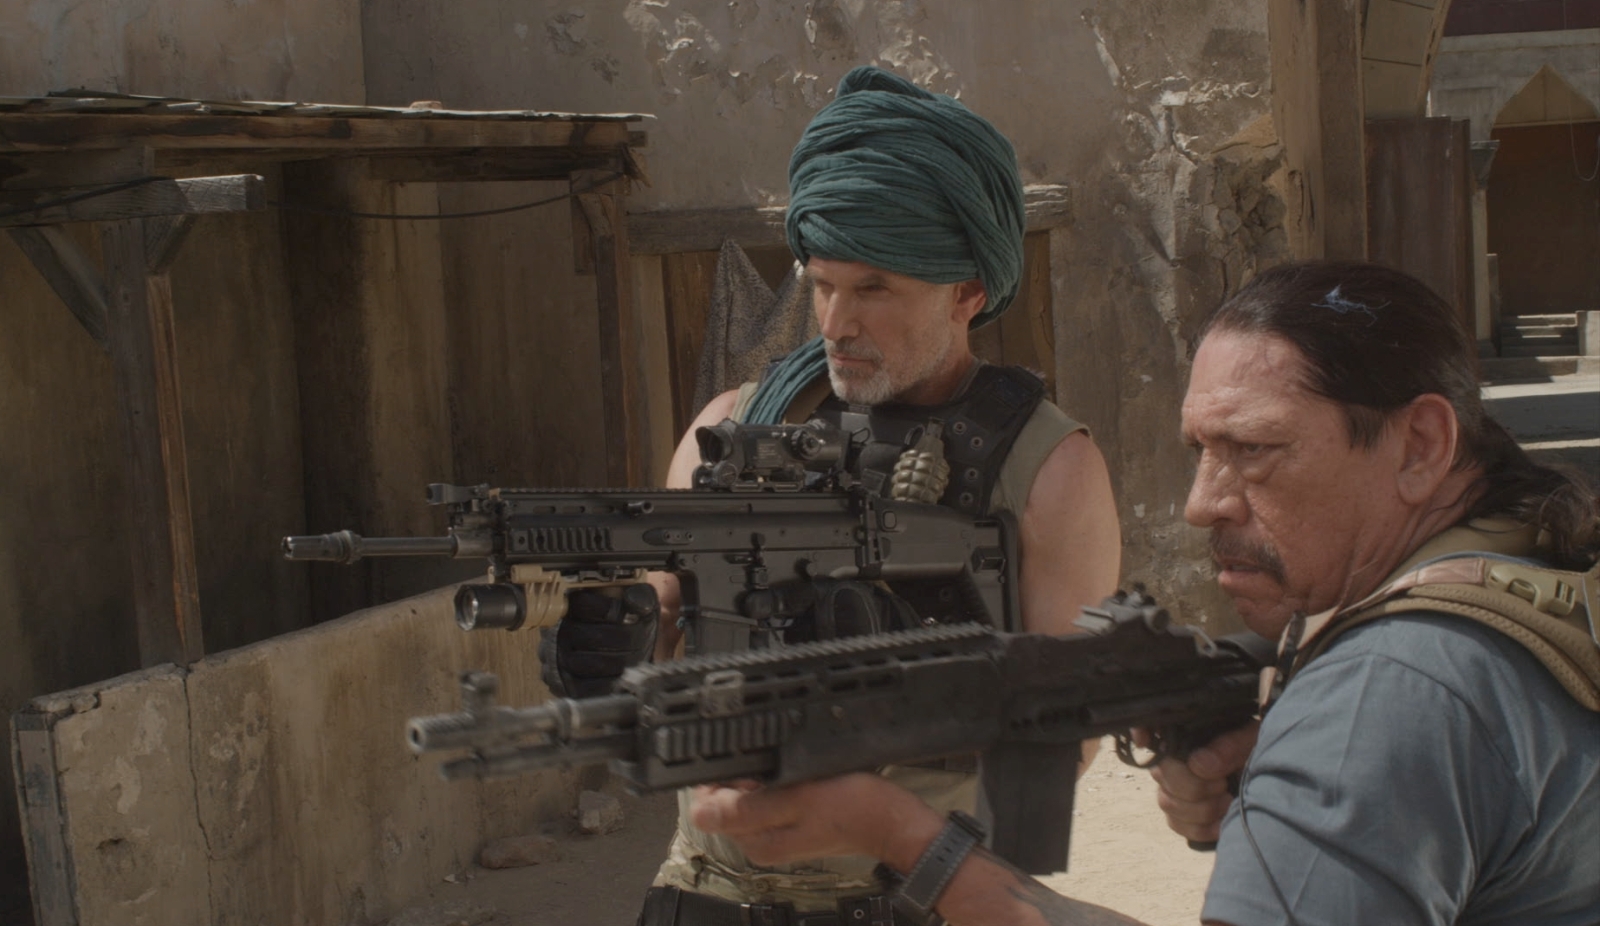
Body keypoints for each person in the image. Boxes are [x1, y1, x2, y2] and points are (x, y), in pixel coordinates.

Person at [689, 260, 1600, 925]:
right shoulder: (1541, 573)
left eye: (1255, 451)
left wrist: (909, 841)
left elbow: (1396, 729)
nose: (1202, 504)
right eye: (1200, 451)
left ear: (1422, 446)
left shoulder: (1388, 697)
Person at [543, 65, 1121, 925]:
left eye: (874, 288)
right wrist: (616, 642)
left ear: (967, 293)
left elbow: (1061, 746)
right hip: (707, 894)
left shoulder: (1049, 470)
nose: (836, 324)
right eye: (821, 284)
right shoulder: (730, 427)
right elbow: (666, 621)